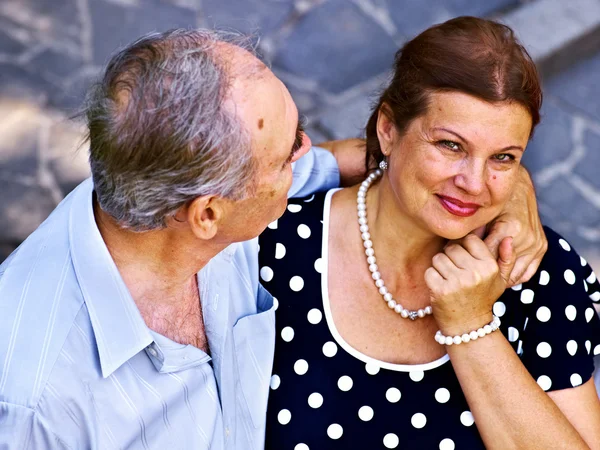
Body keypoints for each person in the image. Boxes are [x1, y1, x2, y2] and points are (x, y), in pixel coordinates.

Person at [0, 27, 545, 449]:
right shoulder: (33, 399)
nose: (309, 152)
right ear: (208, 215)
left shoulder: (175, 190)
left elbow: (377, 157)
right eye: (288, 154)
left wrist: (509, 182)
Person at [259, 17, 600, 450]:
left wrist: (472, 326)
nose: (474, 183)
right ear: (388, 129)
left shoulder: (539, 272)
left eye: (503, 158)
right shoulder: (270, 241)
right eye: (450, 146)